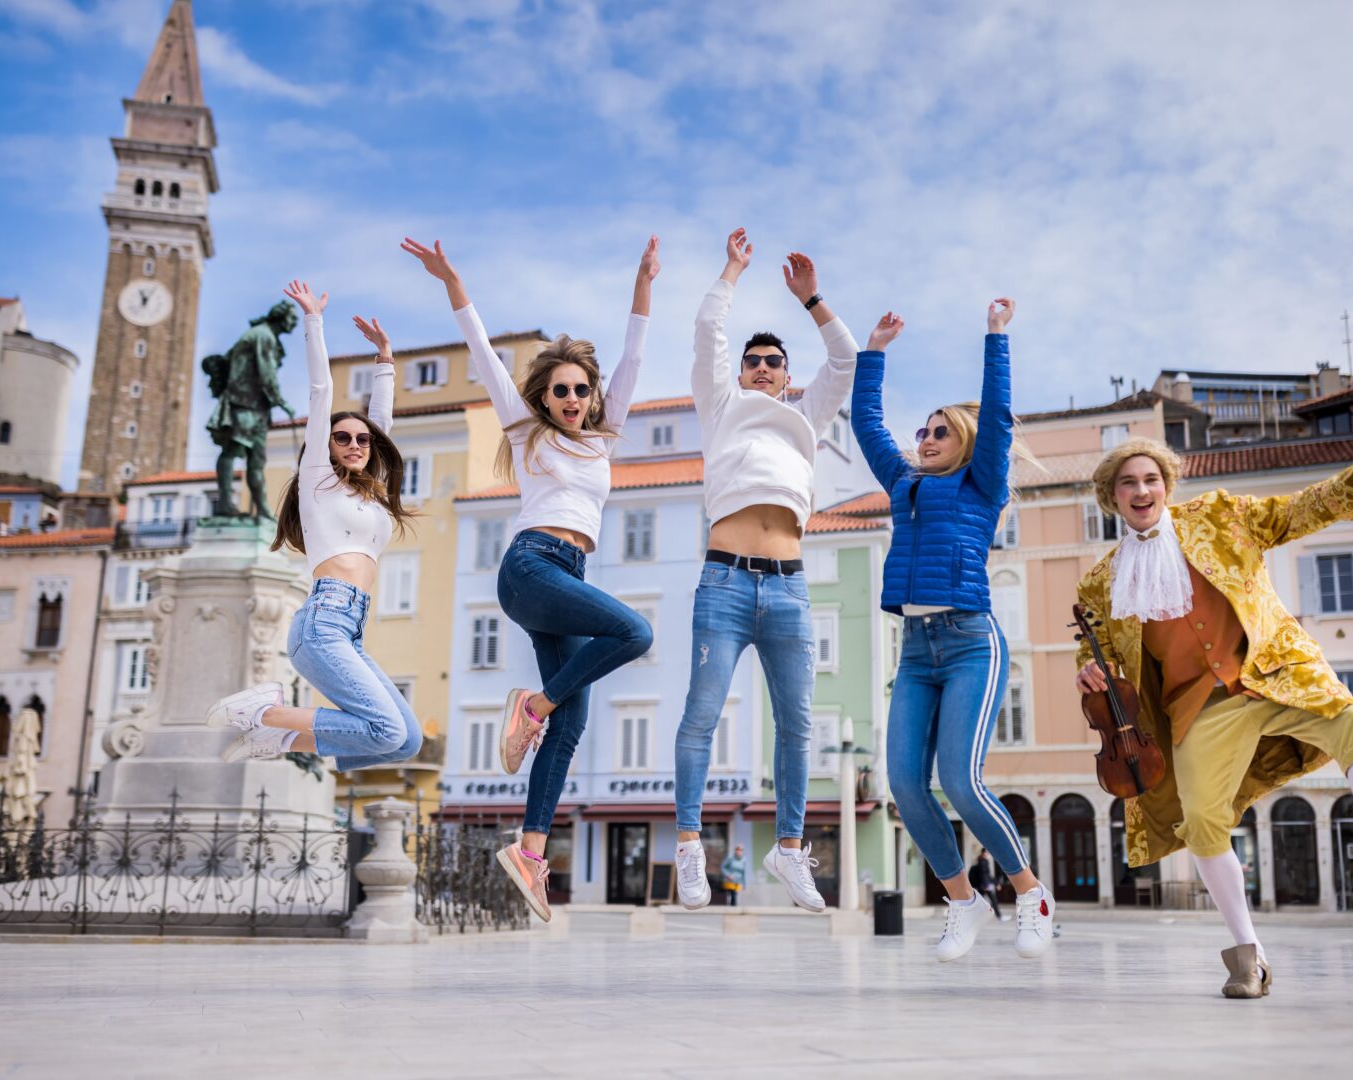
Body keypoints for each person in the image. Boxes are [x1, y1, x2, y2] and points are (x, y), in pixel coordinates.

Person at [1075, 435, 1353, 999]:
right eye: (1128, 483)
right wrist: (1088, 673)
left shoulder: (1219, 514)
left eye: (1150, 479)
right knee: (1201, 821)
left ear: (1166, 487)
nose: (1141, 489)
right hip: (1197, 707)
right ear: (1111, 497)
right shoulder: (1099, 583)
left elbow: (1298, 510)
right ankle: (1248, 957)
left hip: (1272, 669)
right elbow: (1096, 655)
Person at [402, 235, 659, 923]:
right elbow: (483, 356)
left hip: (568, 572)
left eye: (581, 390)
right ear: (543, 397)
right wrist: (453, 281)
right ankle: (531, 707)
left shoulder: (605, 434)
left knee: (571, 721)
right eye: (560, 391)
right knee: (635, 630)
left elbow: (633, 355)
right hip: (530, 566)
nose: (572, 399)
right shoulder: (524, 431)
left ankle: (529, 850)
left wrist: (643, 284)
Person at [851, 303, 1055, 965]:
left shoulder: (980, 484)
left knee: (958, 780)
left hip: (971, 641)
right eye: (924, 428)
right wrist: (873, 352)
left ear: (962, 444)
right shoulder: (902, 483)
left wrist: (994, 336)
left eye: (940, 431)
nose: (926, 436)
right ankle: (961, 900)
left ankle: (1031, 895)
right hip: (915, 652)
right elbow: (865, 423)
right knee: (905, 784)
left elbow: (995, 416)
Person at [672, 228, 861, 914]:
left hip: (786, 588)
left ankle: (787, 852)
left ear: (786, 375)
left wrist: (810, 298)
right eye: (752, 360)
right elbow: (705, 332)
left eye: (771, 361)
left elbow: (845, 358)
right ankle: (690, 847)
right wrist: (731, 270)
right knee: (700, 715)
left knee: (797, 724)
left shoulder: (805, 418)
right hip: (722, 583)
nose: (758, 367)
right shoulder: (720, 408)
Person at [205, 281, 423, 774]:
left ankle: (278, 740)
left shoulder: (372, 495)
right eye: (342, 437)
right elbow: (321, 390)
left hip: (351, 628)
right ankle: (263, 710)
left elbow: (381, 424)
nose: (355, 443)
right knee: (383, 728)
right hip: (323, 622)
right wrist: (314, 321)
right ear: (326, 446)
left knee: (403, 741)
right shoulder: (318, 483)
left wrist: (385, 358)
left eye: (361, 439)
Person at [967, 851, 1003, 920]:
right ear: (984, 853)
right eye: (987, 853)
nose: (988, 854)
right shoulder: (983, 862)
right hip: (985, 885)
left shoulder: (981, 861)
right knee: (992, 900)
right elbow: (984, 875)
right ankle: (999, 916)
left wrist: (995, 883)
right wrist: (986, 885)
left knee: (980, 901)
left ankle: (972, 915)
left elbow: (987, 875)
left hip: (982, 885)